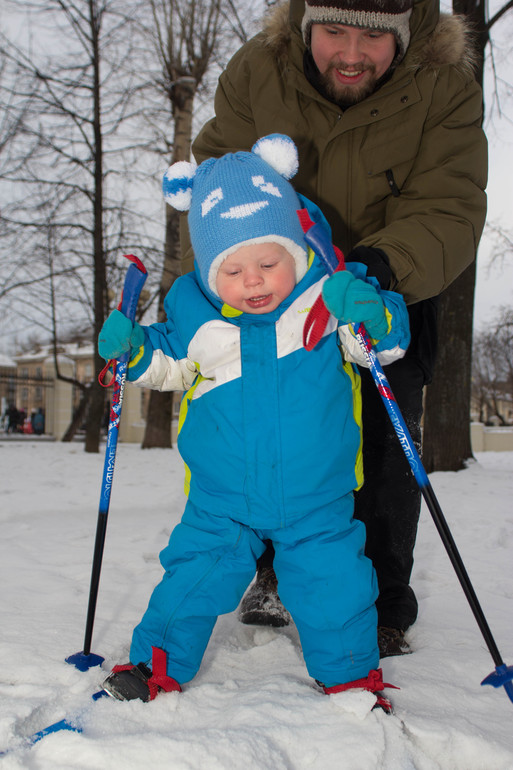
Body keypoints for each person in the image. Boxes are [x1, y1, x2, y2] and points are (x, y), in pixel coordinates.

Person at [184, 0, 488, 656]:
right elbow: (221, 173)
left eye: (374, 37)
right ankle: (271, 571)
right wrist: (232, 266)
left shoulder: (443, 88)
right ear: (303, 25)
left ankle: (378, 598)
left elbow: (448, 202)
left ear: (406, 36)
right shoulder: (257, 71)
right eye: (335, 32)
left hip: (389, 284)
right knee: (272, 433)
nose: (352, 54)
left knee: (381, 443)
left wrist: (376, 268)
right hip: (277, 293)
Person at [97, 135, 410, 711]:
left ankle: (349, 678)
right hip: (221, 497)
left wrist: (371, 312)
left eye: (269, 263)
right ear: (210, 273)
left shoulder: (328, 296)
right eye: (233, 270)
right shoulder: (195, 316)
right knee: (191, 579)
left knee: (332, 586)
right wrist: (134, 351)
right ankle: (154, 663)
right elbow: (166, 365)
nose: (254, 281)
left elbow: (382, 345)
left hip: (317, 495)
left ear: (296, 251)